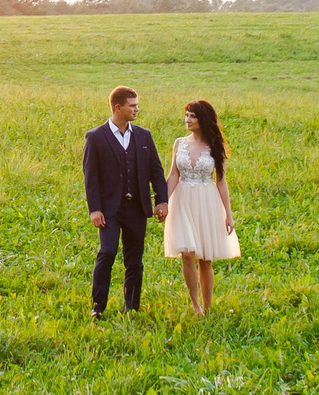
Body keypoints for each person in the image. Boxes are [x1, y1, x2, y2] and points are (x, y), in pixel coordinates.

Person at [81, 86, 168, 317]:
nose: (137, 109)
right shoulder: (96, 137)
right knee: (107, 252)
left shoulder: (144, 136)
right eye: (133, 105)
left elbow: (156, 171)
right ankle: (98, 306)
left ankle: (132, 307)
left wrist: (162, 201)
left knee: (134, 260)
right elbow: (91, 177)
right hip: (109, 210)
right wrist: (95, 209)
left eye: (137, 105)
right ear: (118, 107)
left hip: (137, 208)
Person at [163, 98, 239, 316]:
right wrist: (163, 203)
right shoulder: (179, 143)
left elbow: (221, 181)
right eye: (186, 115)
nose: (188, 120)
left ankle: (208, 305)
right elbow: (173, 175)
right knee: (187, 253)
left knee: (205, 259)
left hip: (207, 201)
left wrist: (228, 214)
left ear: (203, 119)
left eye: (193, 116)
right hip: (182, 200)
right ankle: (195, 305)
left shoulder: (215, 146)